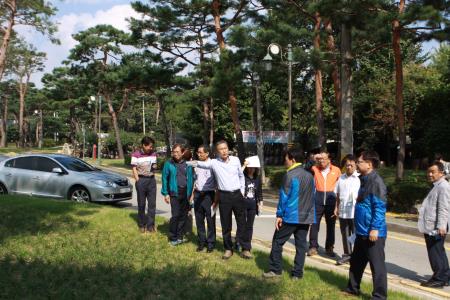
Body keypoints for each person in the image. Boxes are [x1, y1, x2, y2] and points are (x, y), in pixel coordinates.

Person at [187, 140, 248, 260]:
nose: (224, 151)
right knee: (226, 225)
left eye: (225, 148)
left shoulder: (235, 160)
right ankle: (228, 249)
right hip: (224, 196)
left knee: (242, 222)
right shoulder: (214, 163)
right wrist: (187, 162)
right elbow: (200, 164)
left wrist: (242, 190)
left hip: (237, 194)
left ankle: (244, 247)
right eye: (221, 149)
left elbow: (241, 176)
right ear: (217, 152)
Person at [263, 149, 315, 280]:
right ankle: (297, 274)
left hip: (291, 216)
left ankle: (275, 270)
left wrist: (279, 215)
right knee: (301, 246)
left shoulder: (290, 175)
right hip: (305, 217)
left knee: (277, 242)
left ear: (292, 159)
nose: (284, 161)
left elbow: (284, 197)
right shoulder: (310, 175)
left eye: (285, 159)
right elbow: (313, 197)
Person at [345, 150, 387, 299]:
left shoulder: (376, 182)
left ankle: (379, 296)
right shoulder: (364, 179)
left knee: (377, 267)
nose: (357, 164)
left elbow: (379, 207)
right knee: (356, 262)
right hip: (361, 231)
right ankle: (352, 289)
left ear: (369, 164)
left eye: (359, 161)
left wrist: (375, 228)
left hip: (372, 232)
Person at [418, 161, 450, 288]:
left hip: (436, 227)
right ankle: (445, 275)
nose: (430, 174)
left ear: (441, 173)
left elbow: (444, 208)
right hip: (434, 225)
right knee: (439, 251)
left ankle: (439, 278)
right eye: (428, 172)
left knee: (435, 252)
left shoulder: (443, 186)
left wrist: (441, 226)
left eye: (433, 172)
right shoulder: (437, 185)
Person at [307, 151, 341, 257]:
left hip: (331, 199)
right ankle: (313, 247)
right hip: (318, 199)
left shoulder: (336, 170)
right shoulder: (314, 169)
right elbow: (305, 168)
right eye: (320, 159)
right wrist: (313, 158)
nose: (321, 161)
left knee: (331, 225)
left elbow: (340, 186)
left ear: (329, 159)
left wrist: (338, 204)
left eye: (324, 158)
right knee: (314, 224)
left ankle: (329, 247)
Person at [161, 144, 194, 246]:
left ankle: (179, 236)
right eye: (174, 152)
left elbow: (193, 179)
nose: (175, 154)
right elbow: (164, 179)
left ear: (182, 152)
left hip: (186, 193)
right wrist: (166, 193)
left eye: (177, 152)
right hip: (174, 193)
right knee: (175, 215)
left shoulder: (188, 164)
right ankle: (172, 237)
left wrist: (191, 194)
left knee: (183, 216)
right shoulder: (168, 164)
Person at [334, 154, 360, 265]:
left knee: (356, 235)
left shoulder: (360, 178)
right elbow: (338, 194)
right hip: (343, 212)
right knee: (345, 234)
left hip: (355, 212)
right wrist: (336, 207)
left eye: (351, 165)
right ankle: (347, 254)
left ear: (356, 165)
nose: (349, 167)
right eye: (347, 165)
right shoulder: (341, 178)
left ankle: (357, 256)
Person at [192, 145, 217, 253]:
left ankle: (210, 243)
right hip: (198, 194)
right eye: (198, 152)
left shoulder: (213, 164)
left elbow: (217, 183)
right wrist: (192, 194)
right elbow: (195, 180)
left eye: (201, 152)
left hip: (209, 195)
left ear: (207, 153)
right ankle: (201, 242)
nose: (199, 154)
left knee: (210, 220)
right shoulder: (196, 165)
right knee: (199, 219)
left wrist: (216, 200)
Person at [131, 136, 158, 233]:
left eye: (152, 147)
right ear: (143, 145)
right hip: (141, 180)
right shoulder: (135, 155)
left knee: (152, 204)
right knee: (141, 204)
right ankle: (141, 225)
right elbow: (134, 168)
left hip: (151, 181)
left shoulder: (154, 154)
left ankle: (150, 226)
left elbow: (154, 167)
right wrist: (138, 180)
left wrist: (154, 170)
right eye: (150, 146)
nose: (151, 148)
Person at [240, 159, 263, 258]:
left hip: (252, 205)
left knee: (249, 226)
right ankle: (240, 243)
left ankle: (246, 248)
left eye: (253, 168)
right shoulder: (243, 176)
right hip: (242, 204)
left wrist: (260, 203)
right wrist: (244, 165)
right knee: (242, 226)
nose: (251, 170)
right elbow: (236, 175)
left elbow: (259, 192)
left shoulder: (257, 178)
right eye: (250, 168)